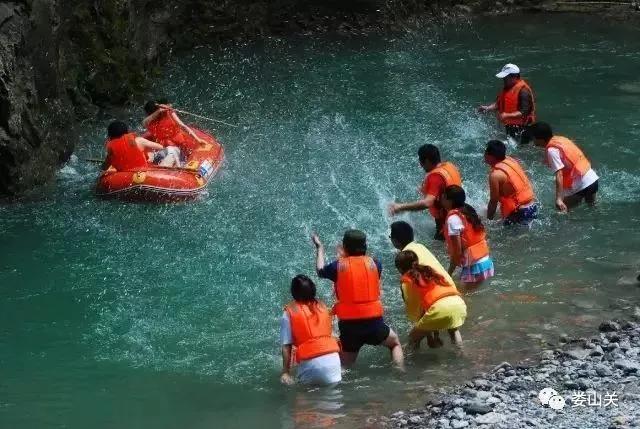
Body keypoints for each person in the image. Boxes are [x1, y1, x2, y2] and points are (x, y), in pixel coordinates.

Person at [312, 230, 404, 369]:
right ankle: (400, 371)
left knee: (346, 365)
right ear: (365, 246)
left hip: (350, 327)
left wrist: (320, 247)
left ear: (344, 247)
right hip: (374, 323)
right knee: (394, 343)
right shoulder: (375, 264)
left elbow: (320, 270)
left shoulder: (338, 266)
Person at [389, 144, 462, 240]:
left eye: (420, 160)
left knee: (440, 252)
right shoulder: (449, 166)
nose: (420, 164)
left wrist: (400, 207)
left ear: (427, 160)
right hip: (459, 216)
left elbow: (427, 203)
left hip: (447, 225)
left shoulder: (436, 177)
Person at [394, 250, 466, 349]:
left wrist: (430, 338)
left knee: (412, 338)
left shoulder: (407, 282)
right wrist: (434, 336)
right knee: (453, 329)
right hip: (458, 304)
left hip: (439, 309)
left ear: (400, 269)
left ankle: (410, 363)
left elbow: (420, 312)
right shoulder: (430, 270)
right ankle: (461, 352)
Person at [280, 274, 342, 386]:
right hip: (335, 364)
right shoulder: (323, 307)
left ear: (293, 293)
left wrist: (285, 372)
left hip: (312, 367)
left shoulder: (289, 312)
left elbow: (286, 346)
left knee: (301, 397)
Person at [531, 122, 599, 212]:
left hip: (582, 186)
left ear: (540, 139)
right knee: (593, 210)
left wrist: (558, 199)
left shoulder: (552, 150)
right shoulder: (561, 139)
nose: (533, 140)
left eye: (533, 138)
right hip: (592, 180)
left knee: (561, 211)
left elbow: (559, 174)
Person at [441, 185, 495, 286]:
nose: (440, 199)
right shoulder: (467, 211)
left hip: (475, 268)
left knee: (466, 299)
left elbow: (457, 252)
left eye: (443, 197)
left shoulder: (453, 219)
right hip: (486, 263)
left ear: (450, 201)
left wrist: (448, 274)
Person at [484, 140, 538, 225]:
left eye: (485, 153)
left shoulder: (495, 176)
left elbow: (493, 202)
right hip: (532, 206)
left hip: (519, 213)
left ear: (491, 157)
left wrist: (488, 222)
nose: (484, 155)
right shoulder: (510, 160)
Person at [478, 63, 536, 144]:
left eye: (505, 78)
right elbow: (499, 104)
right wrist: (487, 108)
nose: (503, 79)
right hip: (510, 126)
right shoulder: (507, 88)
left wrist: (507, 115)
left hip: (523, 129)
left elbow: (524, 112)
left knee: (519, 150)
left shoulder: (523, 91)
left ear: (514, 77)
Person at [103, 121, 181, 171]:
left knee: (150, 155)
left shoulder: (111, 150)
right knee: (172, 150)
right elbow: (161, 147)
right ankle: (179, 171)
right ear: (126, 132)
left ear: (110, 136)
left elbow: (104, 168)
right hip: (146, 175)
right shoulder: (138, 140)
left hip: (125, 179)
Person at [143, 100, 208, 155]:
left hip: (173, 144)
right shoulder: (149, 121)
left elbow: (182, 126)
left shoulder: (167, 113)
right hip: (169, 146)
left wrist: (198, 139)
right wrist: (159, 110)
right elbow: (183, 126)